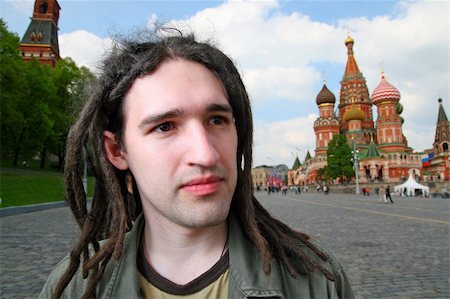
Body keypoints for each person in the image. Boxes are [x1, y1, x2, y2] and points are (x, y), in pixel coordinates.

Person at [38, 31, 353, 299]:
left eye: (217, 120)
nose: (205, 154)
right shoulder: (73, 288)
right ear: (117, 151)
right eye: (165, 126)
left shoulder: (316, 282)